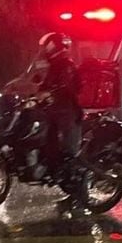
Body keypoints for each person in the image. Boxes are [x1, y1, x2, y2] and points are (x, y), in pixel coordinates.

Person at [37, 33, 86, 210]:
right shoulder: (54, 65)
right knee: (50, 147)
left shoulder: (66, 64)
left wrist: (48, 93)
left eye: (49, 47)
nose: (46, 51)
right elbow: (45, 85)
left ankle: (79, 199)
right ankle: (51, 174)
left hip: (68, 114)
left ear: (55, 47)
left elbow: (63, 85)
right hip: (56, 113)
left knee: (70, 155)